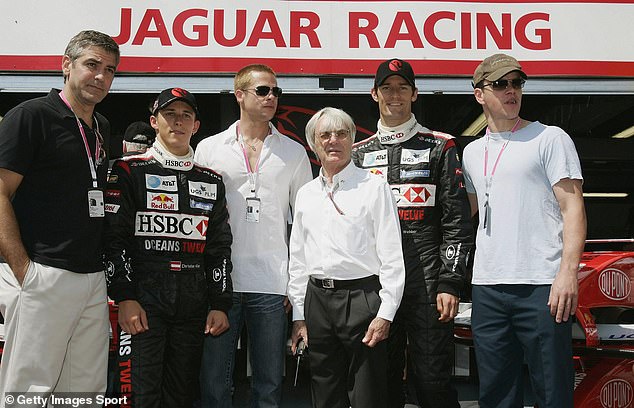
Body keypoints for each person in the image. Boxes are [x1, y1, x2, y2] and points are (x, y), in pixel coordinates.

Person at [0, 30, 119, 404]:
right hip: (45, 271)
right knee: (29, 389)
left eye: (110, 70)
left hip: (92, 275)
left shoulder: (101, 127)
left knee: (85, 390)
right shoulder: (30, 116)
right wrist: (24, 269)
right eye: (92, 65)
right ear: (66, 66)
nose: (101, 76)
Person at [462, 53, 586, 408]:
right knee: (496, 394)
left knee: (552, 390)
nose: (511, 90)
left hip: (542, 285)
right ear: (479, 94)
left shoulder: (549, 138)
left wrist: (567, 273)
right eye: (500, 84)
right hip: (487, 288)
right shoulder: (472, 151)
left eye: (516, 83)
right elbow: (466, 213)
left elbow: (573, 208)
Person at [351, 59, 473, 408]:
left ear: (415, 94)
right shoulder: (358, 154)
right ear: (374, 94)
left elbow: (457, 221)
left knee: (432, 381)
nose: (395, 95)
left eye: (403, 87)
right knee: (380, 383)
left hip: (428, 280)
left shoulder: (441, 146)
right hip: (377, 282)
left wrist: (451, 282)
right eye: (387, 88)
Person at [104, 88, 233, 407]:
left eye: (186, 115)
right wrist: (126, 296)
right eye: (170, 114)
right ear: (154, 121)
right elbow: (113, 239)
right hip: (143, 302)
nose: (178, 121)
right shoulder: (127, 171)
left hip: (192, 305)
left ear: (196, 125)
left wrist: (220, 302)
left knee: (182, 395)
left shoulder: (212, 180)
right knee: (136, 393)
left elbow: (218, 248)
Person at [194, 64, 312, 408]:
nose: (271, 97)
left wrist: (295, 286)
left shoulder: (293, 152)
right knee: (214, 383)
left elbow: (304, 226)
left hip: (272, 284)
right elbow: (198, 219)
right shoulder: (209, 149)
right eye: (263, 90)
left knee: (269, 385)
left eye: (276, 91)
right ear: (240, 95)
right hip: (221, 284)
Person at [288, 107, 405, 408]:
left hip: (363, 299)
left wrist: (386, 313)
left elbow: (392, 255)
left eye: (341, 134)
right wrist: (299, 315)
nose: (333, 141)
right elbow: (298, 260)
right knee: (324, 393)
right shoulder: (305, 194)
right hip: (317, 302)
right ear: (314, 144)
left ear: (352, 140)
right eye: (324, 135)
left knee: (368, 396)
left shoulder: (374, 187)